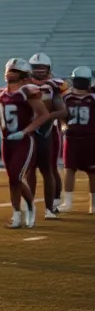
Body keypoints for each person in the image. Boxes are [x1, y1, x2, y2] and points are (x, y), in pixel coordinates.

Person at [0, 58, 51, 229]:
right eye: (9, 70)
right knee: (11, 180)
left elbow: (44, 115)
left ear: (22, 75)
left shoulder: (28, 91)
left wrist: (25, 131)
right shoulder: (1, 93)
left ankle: (29, 207)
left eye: (14, 71)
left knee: (16, 177)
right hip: (7, 141)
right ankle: (16, 216)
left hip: (23, 141)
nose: (9, 73)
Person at [27, 52, 68, 217]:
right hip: (30, 131)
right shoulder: (24, 84)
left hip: (48, 130)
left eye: (42, 67)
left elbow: (64, 109)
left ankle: (53, 203)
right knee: (29, 169)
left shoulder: (56, 85)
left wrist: (48, 117)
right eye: (36, 67)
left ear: (48, 68)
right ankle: (30, 204)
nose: (39, 71)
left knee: (49, 168)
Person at [60, 66, 94, 213]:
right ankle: (67, 202)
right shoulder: (67, 97)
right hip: (72, 137)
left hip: (90, 138)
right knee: (69, 169)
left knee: (92, 171)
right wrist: (63, 125)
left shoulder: (92, 97)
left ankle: (93, 203)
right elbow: (62, 115)